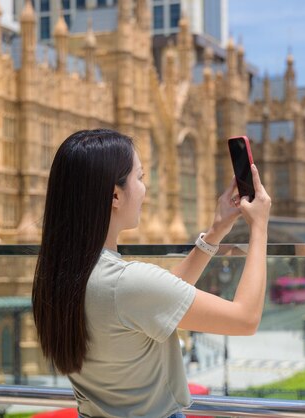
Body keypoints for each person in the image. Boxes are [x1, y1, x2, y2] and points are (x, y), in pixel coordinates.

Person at [32, 129, 271, 418]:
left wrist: (214, 234)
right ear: (115, 195)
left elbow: (161, 300)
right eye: (140, 177)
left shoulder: (58, 275)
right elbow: (245, 318)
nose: (146, 189)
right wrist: (259, 227)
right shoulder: (124, 283)